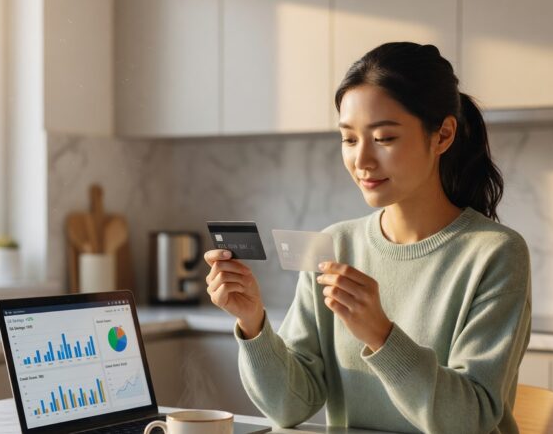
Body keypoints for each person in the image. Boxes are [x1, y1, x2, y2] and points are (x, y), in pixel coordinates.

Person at [203, 41, 531, 433]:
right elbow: (289, 407)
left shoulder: (495, 253)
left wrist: (381, 335)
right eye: (349, 139)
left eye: (384, 138)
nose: (362, 161)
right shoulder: (335, 245)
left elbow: (470, 421)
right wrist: (252, 322)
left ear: (443, 135)